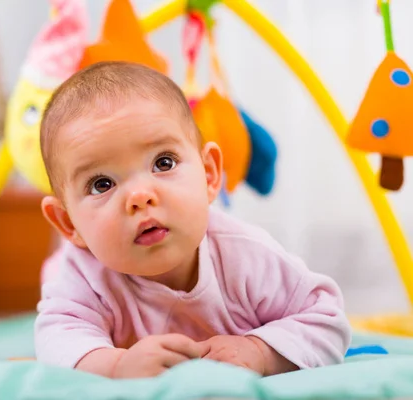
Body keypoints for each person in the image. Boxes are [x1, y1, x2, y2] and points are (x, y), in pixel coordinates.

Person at [34, 61, 351, 379]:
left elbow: (327, 319)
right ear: (69, 224)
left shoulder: (245, 255)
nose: (140, 196)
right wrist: (114, 366)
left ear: (210, 175)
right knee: (54, 281)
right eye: (102, 183)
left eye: (163, 162)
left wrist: (261, 351)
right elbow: (56, 340)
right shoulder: (83, 275)